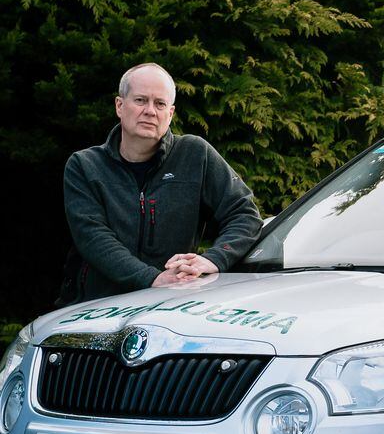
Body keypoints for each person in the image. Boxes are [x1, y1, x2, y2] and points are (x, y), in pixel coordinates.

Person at [58, 62, 263, 305]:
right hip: (96, 306)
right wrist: (152, 278)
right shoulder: (85, 165)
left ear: (171, 113)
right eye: (141, 100)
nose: (150, 111)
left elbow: (244, 214)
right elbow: (93, 237)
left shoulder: (195, 155)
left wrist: (215, 259)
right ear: (119, 106)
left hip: (171, 305)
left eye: (160, 104)